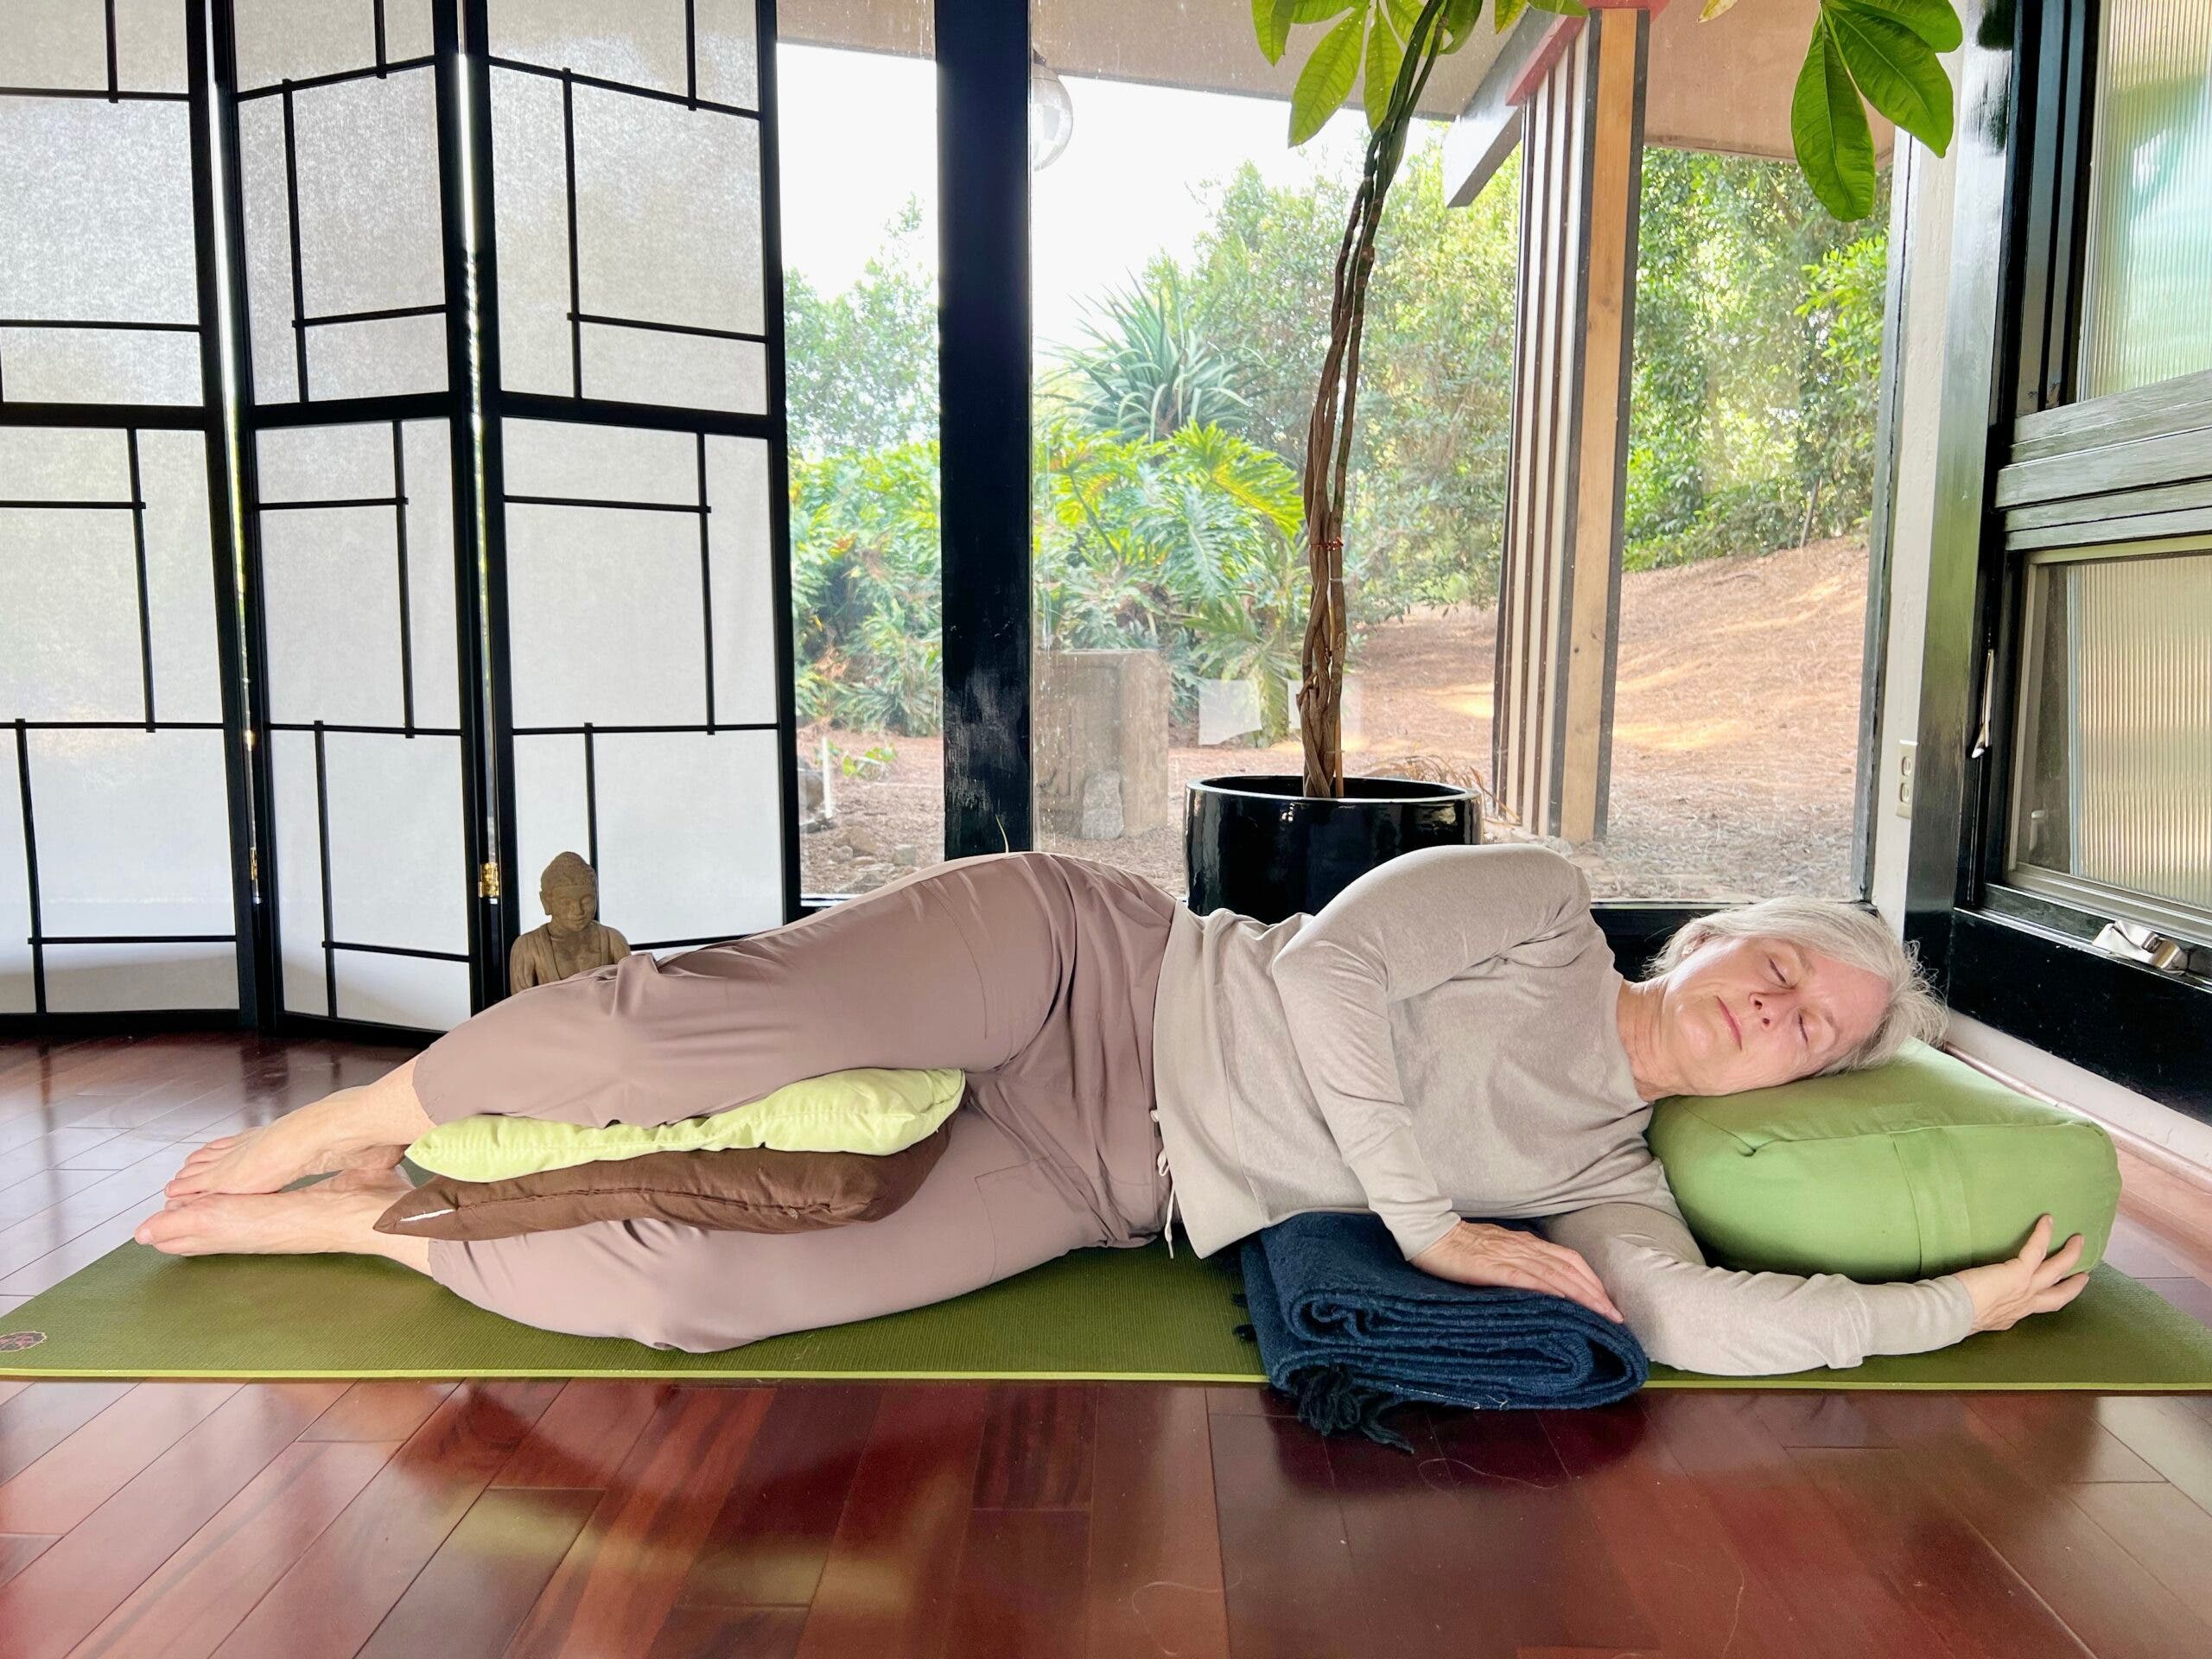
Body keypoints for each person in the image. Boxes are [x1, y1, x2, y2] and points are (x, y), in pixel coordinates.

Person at [143, 844, 2090, 1372]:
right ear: (1724, 935)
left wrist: (1951, 1307)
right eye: (1786, 966)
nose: (1780, 1013)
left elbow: (1675, 1315)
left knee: (707, 1293)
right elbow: (1324, 973)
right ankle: (371, 1109)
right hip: (1087, 964)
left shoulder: (1601, 1173)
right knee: (700, 1047)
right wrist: (1423, 1224)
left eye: (1818, 1037)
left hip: (1101, 1177)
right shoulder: (1538, 905)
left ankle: (378, 1226)